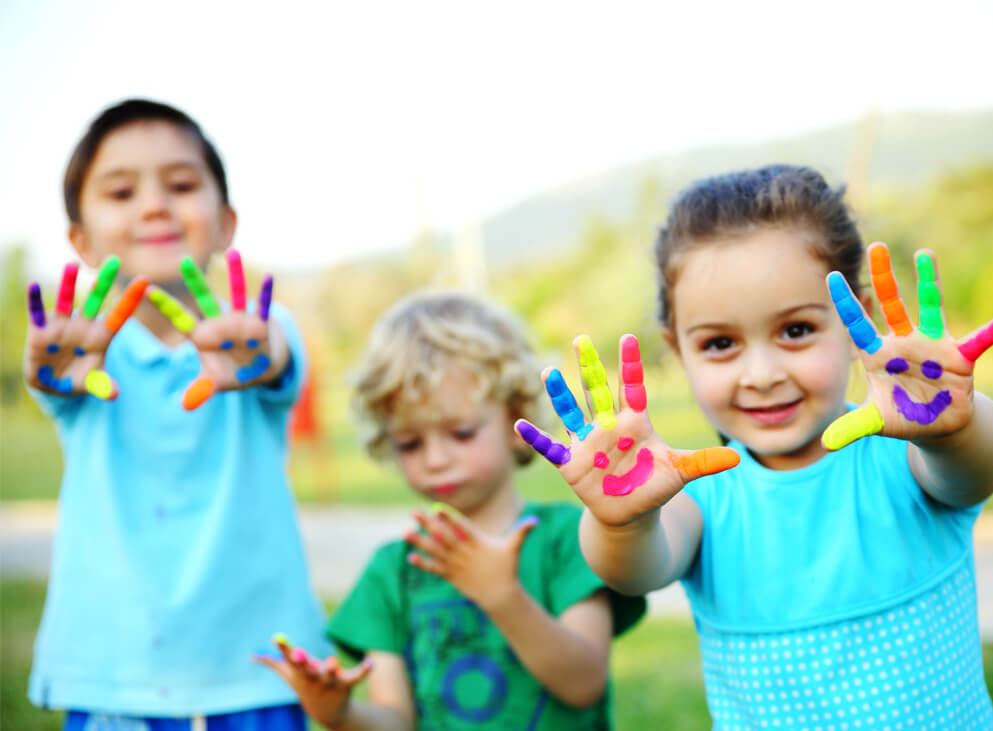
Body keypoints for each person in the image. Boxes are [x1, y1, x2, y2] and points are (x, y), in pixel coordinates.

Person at [517, 165, 993, 728]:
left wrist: (952, 426)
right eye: (720, 343)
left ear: (856, 317)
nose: (761, 373)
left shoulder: (909, 458)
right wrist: (622, 520)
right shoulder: (703, 500)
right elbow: (637, 569)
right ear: (677, 348)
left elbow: (972, 470)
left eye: (795, 330)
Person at [23, 98, 328, 729]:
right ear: (79, 239)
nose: (155, 205)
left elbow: (273, 356)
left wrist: (259, 352)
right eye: (121, 191)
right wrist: (49, 371)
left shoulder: (264, 334)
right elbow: (51, 377)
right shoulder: (83, 356)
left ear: (226, 224)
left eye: (182, 184)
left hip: (257, 670)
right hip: (117, 674)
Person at [257, 290, 647, 729]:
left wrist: (503, 597)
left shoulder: (572, 539)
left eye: (461, 433)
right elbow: (395, 721)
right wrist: (339, 712)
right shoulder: (393, 573)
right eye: (410, 443)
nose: (436, 458)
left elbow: (584, 683)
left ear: (515, 418)